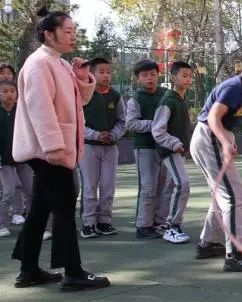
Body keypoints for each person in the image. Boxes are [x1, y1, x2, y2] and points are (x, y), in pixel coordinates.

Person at [11, 10, 109, 291]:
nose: (72, 36)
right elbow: (40, 108)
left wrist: (82, 77)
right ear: (48, 34)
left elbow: (80, 101)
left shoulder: (59, 63)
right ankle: (73, 272)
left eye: (73, 31)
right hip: (49, 151)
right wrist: (53, 147)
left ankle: (28, 269)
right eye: (67, 31)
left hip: (53, 149)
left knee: (40, 209)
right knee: (64, 207)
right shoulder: (39, 64)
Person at [189, 48, 242, 272]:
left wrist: (228, 139)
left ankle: (208, 243)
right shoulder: (233, 87)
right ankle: (236, 254)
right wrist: (224, 142)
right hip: (208, 138)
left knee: (223, 196)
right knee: (234, 196)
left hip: (211, 138)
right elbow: (213, 117)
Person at [78, 57, 126, 238]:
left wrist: (113, 134)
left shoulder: (115, 96)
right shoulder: (83, 95)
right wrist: (95, 135)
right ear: (91, 73)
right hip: (88, 147)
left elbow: (122, 121)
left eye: (109, 72)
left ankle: (104, 221)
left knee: (108, 186)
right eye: (102, 72)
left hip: (110, 148)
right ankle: (88, 223)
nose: (106, 75)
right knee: (89, 187)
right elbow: (78, 123)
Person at [126, 60, 172, 240]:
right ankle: (143, 225)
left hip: (165, 148)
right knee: (148, 187)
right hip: (145, 148)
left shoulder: (166, 95)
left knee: (165, 186)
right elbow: (131, 124)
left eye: (153, 74)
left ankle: (160, 222)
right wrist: (155, 125)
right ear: (138, 79)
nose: (149, 78)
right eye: (145, 75)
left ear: (158, 75)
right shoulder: (135, 99)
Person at [152, 61, 194, 244]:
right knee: (183, 184)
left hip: (179, 151)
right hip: (170, 152)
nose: (188, 79)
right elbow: (157, 130)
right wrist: (174, 143)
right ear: (173, 77)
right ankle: (173, 226)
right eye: (184, 75)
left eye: (190, 76)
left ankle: (164, 224)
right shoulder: (168, 101)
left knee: (171, 187)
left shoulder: (181, 100)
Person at [0, 80, 32, 237]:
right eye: (5, 91)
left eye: (12, 91)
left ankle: (34, 224)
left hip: (24, 159)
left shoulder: (23, 112)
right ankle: (1, 226)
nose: (9, 94)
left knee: (31, 191)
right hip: (4, 161)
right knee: (8, 193)